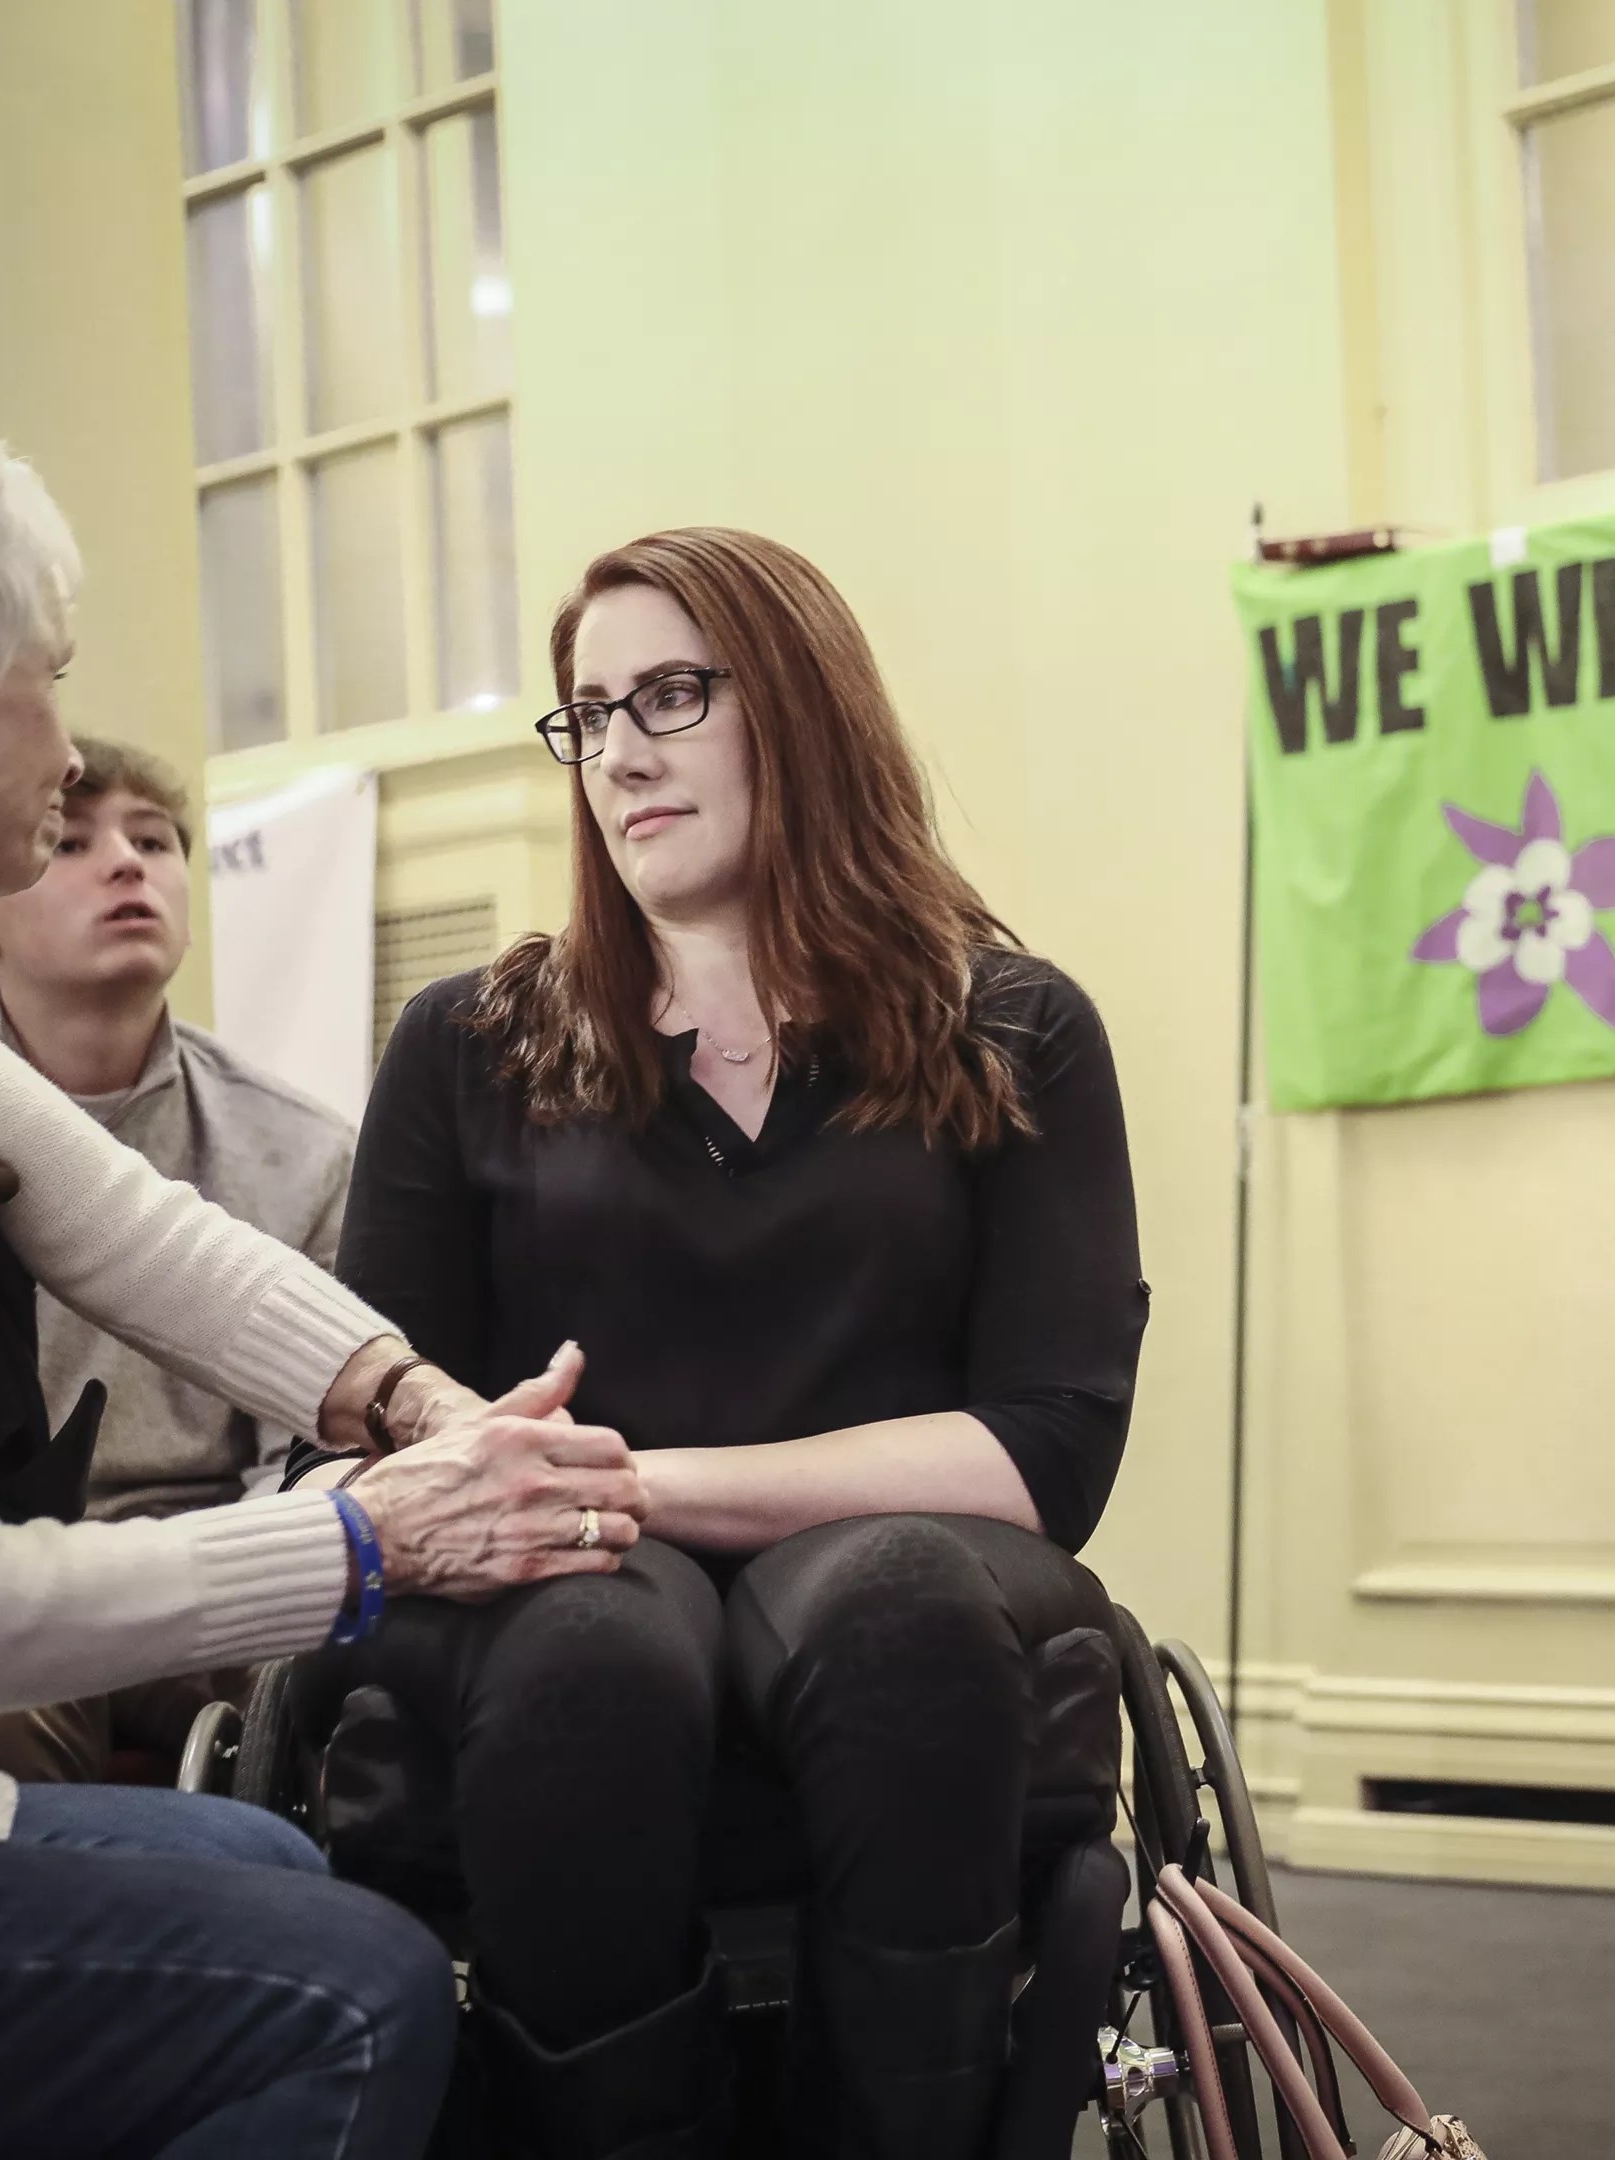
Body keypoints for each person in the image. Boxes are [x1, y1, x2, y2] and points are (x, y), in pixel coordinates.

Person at [0, 370, 650, 2158]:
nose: (66, 756)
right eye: (44, 673)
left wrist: (410, 1401)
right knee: (353, 1994)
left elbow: (119, 1215)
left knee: (269, 1854)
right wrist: (368, 1540)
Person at [300, 526, 1146, 2159]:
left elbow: (1049, 1448)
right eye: (587, 711)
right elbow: (392, 1417)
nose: (618, 751)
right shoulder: (466, 1044)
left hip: (909, 1561)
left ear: (802, 710)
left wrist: (629, 1483)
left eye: (670, 695)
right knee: (590, 1653)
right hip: (549, 1584)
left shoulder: (1016, 1025)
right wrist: (570, 1516)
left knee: (898, 1601)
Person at [0, 736, 356, 1782]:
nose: (128, 864)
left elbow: (299, 1459)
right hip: (7, 1580)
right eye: (70, 841)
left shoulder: (302, 1147)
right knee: (1, 1694)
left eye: (154, 840)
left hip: (215, 1572)